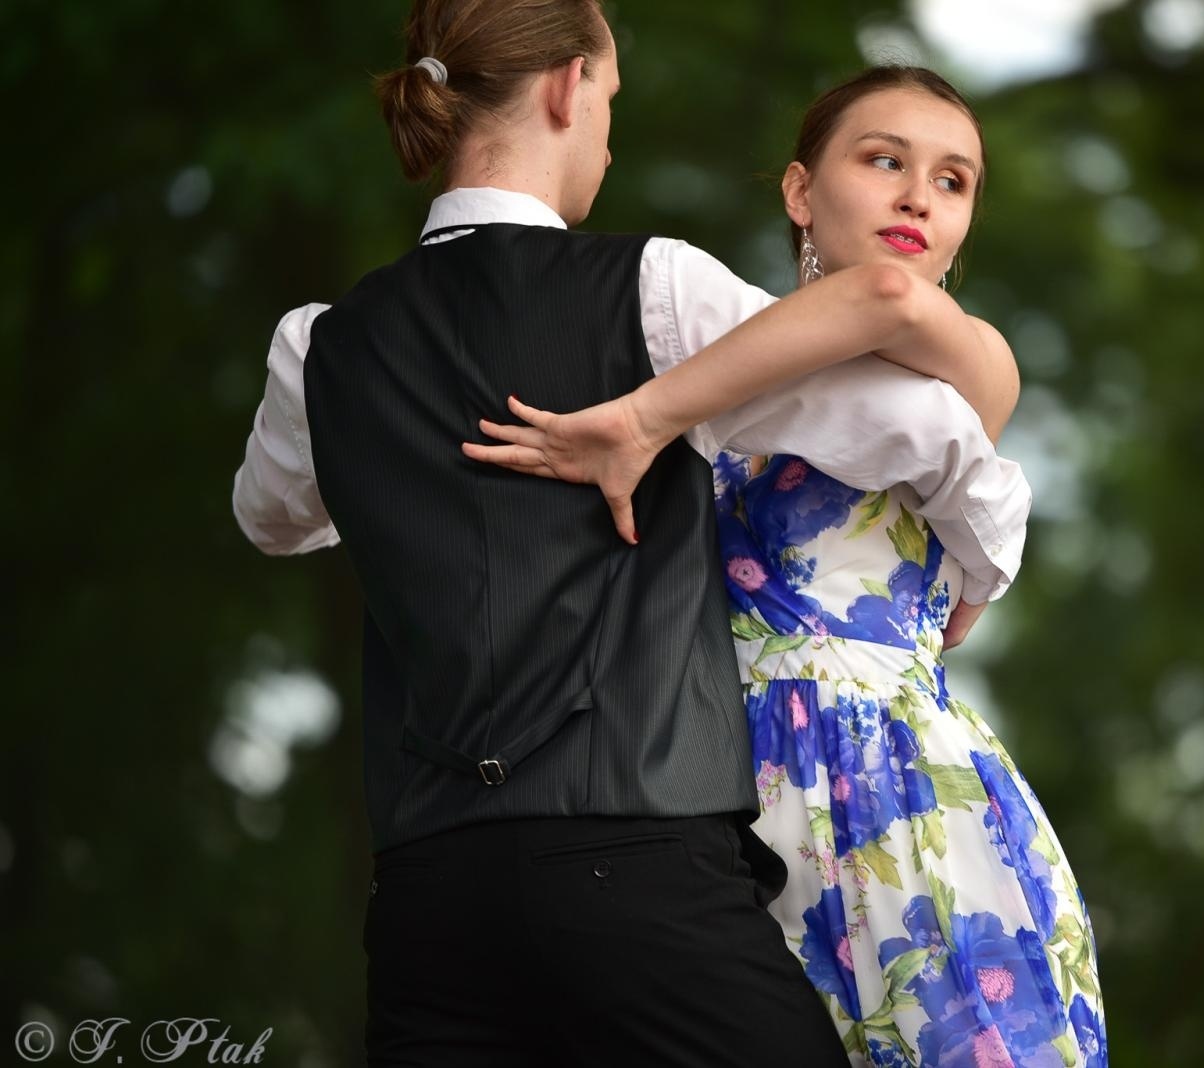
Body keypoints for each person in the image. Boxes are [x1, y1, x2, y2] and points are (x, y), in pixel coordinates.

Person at [230, 2, 1033, 1064]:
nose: (607, 133)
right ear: (567, 88)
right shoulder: (655, 291)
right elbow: (929, 434)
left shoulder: (317, 347)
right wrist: (982, 555)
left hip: (426, 902)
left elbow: (275, 520)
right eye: (608, 99)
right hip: (643, 874)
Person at [469, 67, 1109, 1067]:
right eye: (883, 160)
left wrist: (643, 420)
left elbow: (886, 298)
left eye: (952, 182)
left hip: (891, 789)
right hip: (704, 794)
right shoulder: (696, 348)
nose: (916, 196)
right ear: (800, 192)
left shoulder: (975, 363)